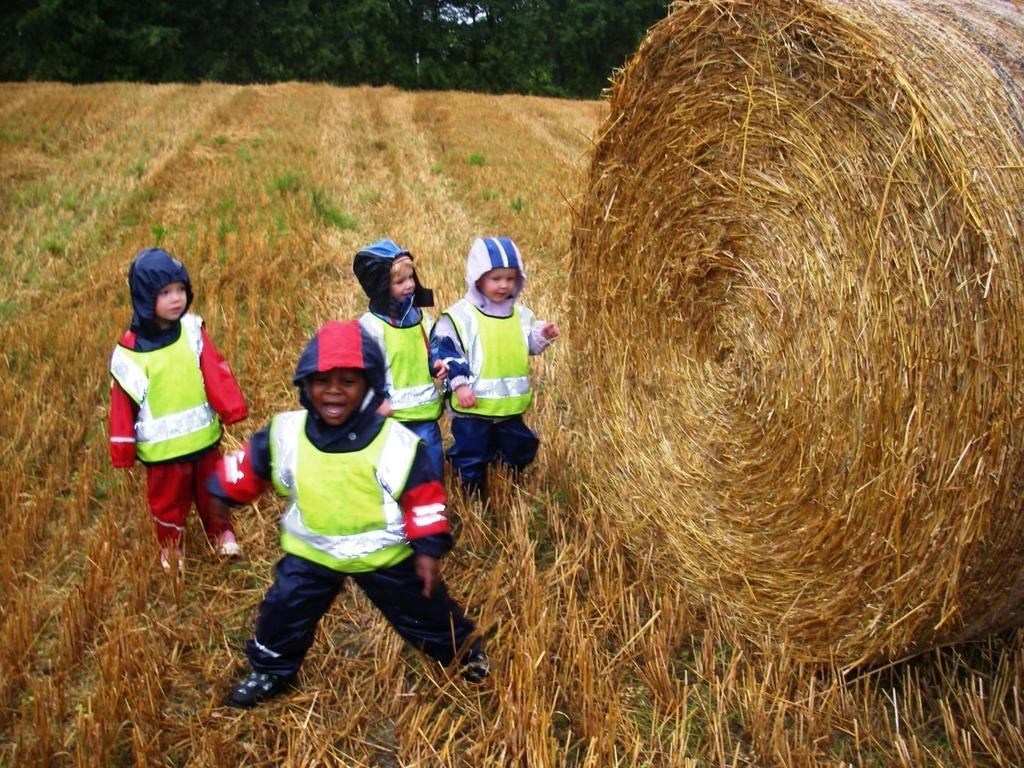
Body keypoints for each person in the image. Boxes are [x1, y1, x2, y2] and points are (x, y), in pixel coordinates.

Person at [209, 320, 487, 709]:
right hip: (312, 554)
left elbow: (425, 497)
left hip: (385, 556)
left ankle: (462, 652)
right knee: (282, 611)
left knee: (426, 611)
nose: (333, 390)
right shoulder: (285, 432)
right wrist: (222, 490)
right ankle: (270, 669)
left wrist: (427, 548)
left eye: (348, 381)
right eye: (321, 380)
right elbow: (249, 465)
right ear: (305, 384)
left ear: (369, 386)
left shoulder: (396, 443)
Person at [108, 247, 247, 571]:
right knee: (168, 503)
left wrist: (231, 409)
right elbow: (121, 405)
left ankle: (222, 532)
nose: (176, 299)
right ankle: (172, 547)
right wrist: (122, 449)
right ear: (144, 298)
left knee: (213, 490)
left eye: (180, 290)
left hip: (204, 440)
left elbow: (215, 371)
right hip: (163, 452)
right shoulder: (130, 352)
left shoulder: (192, 331)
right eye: (165, 293)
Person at [433, 236, 559, 499]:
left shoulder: (521, 314)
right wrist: (460, 384)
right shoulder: (460, 316)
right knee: (472, 452)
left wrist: (543, 335)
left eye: (510, 279)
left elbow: (528, 345)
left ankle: (507, 478)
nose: (504, 285)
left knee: (522, 445)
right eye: (496, 278)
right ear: (478, 278)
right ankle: (472, 491)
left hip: (509, 407)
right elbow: (447, 349)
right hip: (472, 406)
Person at [352, 239, 447, 479]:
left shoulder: (422, 319)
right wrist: (375, 401)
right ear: (381, 286)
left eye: (411, 278)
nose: (409, 285)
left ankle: (432, 504)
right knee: (394, 469)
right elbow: (364, 371)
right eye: (399, 281)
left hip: (423, 410)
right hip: (391, 415)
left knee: (432, 462)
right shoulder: (371, 326)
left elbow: (431, 348)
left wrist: (436, 364)